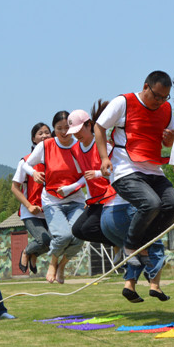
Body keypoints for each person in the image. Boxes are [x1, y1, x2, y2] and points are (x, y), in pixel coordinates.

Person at [95, 71, 174, 266]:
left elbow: (169, 140)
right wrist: (103, 158)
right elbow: (99, 127)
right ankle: (130, 245)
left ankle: (144, 242)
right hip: (126, 170)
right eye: (156, 96)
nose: (159, 101)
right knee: (151, 203)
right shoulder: (124, 102)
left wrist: (170, 140)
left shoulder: (166, 109)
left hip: (153, 170)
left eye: (164, 97)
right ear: (145, 87)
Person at [25, 111, 86, 284]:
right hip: (52, 201)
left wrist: (70, 188)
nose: (64, 131)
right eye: (59, 128)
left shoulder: (79, 146)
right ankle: (53, 263)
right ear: (54, 129)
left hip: (75, 200)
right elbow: (25, 164)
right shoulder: (46, 146)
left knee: (79, 236)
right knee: (64, 236)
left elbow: (86, 174)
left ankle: (62, 265)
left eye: (67, 127)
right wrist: (34, 173)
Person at [100, 194, 170, 303]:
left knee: (136, 252)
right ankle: (155, 286)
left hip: (105, 216)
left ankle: (129, 287)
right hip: (124, 210)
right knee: (155, 245)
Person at [69, 102, 117, 248]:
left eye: (79, 130)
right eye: (73, 132)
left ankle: (123, 243)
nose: (76, 135)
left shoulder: (103, 145)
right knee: (77, 230)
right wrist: (87, 199)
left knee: (88, 228)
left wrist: (97, 173)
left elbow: (117, 172)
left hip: (110, 197)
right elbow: (86, 177)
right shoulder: (75, 150)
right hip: (94, 199)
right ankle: (118, 243)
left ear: (89, 125)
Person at [10, 122, 53, 275]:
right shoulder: (26, 161)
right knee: (45, 240)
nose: (44, 136)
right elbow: (14, 188)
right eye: (40, 133)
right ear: (33, 139)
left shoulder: (55, 159)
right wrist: (28, 206)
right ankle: (26, 252)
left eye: (47, 132)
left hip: (49, 208)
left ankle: (34, 253)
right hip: (31, 210)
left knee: (56, 240)